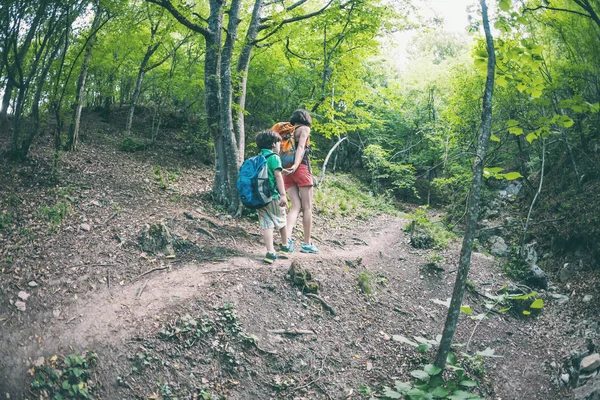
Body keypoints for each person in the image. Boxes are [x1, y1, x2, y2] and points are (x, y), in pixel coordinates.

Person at [281, 109, 320, 254]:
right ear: (306, 118)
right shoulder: (304, 129)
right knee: (307, 207)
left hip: (286, 171)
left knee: (295, 207)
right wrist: (296, 165)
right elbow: (301, 147)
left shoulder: (287, 131)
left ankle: (287, 240)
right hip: (301, 168)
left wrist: (288, 168)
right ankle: (307, 244)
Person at [255, 130, 293, 264]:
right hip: (273, 196)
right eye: (279, 143)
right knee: (281, 219)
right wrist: (283, 195)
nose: (280, 146)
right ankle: (284, 247)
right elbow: (277, 176)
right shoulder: (274, 157)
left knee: (267, 224)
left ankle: (270, 252)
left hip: (260, 198)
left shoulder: (258, 157)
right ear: (272, 144)